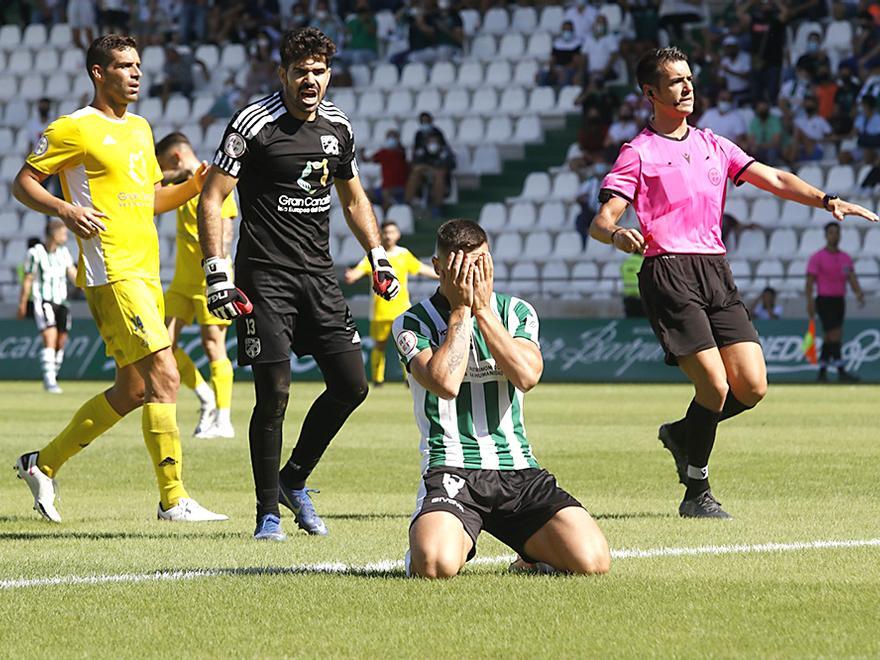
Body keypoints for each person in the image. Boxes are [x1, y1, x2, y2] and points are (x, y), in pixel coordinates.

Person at [590, 47, 877, 519]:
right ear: (650, 93)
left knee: (752, 387)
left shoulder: (713, 144)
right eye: (676, 81)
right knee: (716, 387)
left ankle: (684, 433)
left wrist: (827, 200)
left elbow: (775, 178)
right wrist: (618, 234)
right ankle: (696, 491)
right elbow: (601, 220)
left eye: (689, 78)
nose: (687, 87)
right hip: (669, 272)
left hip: (715, 270)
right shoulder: (638, 152)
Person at [11, 34, 227, 524]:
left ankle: (41, 464)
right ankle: (173, 499)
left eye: (138, 66)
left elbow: (151, 199)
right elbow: (23, 182)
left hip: (146, 270)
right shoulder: (74, 128)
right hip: (110, 271)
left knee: (132, 390)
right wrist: (65, 209)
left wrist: (194, 185)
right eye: (124, 66)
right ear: (98, 72)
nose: (136, 74)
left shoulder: (141, 128)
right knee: (166, 375)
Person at [197, 27, 401, 541]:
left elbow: (355, 199)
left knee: (353, 385)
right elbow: (212, 197)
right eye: (301, 72)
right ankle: (267, 512)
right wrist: (217, 274)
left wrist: (377, 256)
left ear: (329, 74)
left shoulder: (339, 127)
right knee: (274, 396)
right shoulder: (253, 124)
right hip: (264, 278)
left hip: (319, 275)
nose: (311, 81)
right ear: (282, 74)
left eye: (319, 72)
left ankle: (294, 479)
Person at [393, 219, 610, 579]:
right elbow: (445, 383)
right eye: (460, 268)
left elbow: (527, 376)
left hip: (518, 470)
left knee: (592, 562)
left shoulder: (517, 312)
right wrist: (461, 310)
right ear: (437, 267)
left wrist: (483, 312)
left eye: (479, 265)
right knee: (435, 565)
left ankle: (530, 554)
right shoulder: (413, 322)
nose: (471, 276)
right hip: (452, 467)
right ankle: (421, 549)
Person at [156, 131, 238, 439]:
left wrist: (221, 274)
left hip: (210, 281)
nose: (160, 174)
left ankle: (225, 419)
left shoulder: (216, 180)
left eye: (162, 165)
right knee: (164, 346)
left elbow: (226, 229)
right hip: (181, 282)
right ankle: (205, 399)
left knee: (213, 346)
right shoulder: (179, 186)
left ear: (175, 158)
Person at [344, 221, 437, 386]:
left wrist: (441, 275)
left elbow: (422, 268)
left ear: (398, 235)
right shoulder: (374, 256)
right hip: (380, 311)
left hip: (401, 310)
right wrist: (352, 276)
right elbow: (359, 271)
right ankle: (378, 379)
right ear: (380, 234)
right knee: (379, 346)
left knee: (406, 346)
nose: (388, 235)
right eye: (386, 232)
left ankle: (408, 378)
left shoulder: (404, 254)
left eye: (392, 232)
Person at [17, 219, 77, 393]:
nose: (66, 236)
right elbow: (28, 279)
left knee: (61, 341)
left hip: (62, 301)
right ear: (53, 234)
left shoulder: (64, 252)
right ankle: (49, 380)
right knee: (50, 337)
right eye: (63, 233)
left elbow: (72, 273)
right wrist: (22, 303)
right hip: (43, 300)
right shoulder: (35, 253)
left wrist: (85, 285)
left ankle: (53, 375)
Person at [806, 223, 865, 383]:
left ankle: (822, 371)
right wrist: (809, 301)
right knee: (835, 333)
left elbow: (851, 278)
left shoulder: (845, 258)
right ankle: (841, 370)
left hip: (839, 300)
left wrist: (858, 292)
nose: (835, 236)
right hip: (824, 300)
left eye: (837, 233)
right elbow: (810, 282)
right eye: (831, 233)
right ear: (826, 235)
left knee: (829, 336)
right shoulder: (817, 257)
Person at [369, 129, 408, 211]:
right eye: (389, 137)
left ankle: (386, 214)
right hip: (384, 186)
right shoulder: (383, 152)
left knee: (386, 193)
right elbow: (371, 159)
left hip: (398, 187)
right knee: (364, 193)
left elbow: (403, 156)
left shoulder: (401, 154)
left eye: (393, 137)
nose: (391, 139)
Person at [620, 252, 644, 317]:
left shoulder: (626, 262)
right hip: (641, 297)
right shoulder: (643, 262)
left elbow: (621, 272)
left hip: (628, 297)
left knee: (630, 321)